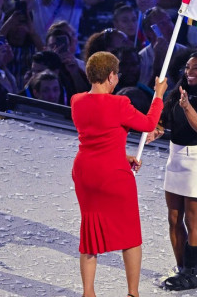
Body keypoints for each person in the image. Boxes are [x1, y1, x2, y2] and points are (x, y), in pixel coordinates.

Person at [70, 51, 167, 297]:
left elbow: (97, 138)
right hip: (112, 176)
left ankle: (88, 293)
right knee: (130, 235)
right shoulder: (119, 104)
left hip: (85, 173)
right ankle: (133, 293)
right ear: (111, 76)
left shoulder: (77, 100)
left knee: (90, 234)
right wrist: (158, 95)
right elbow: (148, 124)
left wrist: (122, 156)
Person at [147, 51, 197, 291]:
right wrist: (151, 134)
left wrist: (187, 107)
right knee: (173, 218)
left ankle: (193, 273)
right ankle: (181, 268)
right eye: (188, 67)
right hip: (174, 158)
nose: (189, 72)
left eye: (196, 68)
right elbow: (161, 125)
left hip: (195, 162)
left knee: (191, 218)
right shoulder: (177, 94)